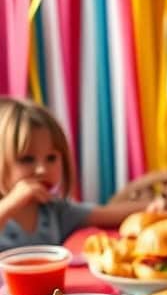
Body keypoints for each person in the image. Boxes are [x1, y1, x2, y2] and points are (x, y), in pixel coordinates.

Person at [0, 97, 156, 250]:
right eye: (27, 159)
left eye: (51, 158)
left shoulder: (56, 211)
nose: (42, 169)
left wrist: (156, 207)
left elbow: (106, 214)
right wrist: (10, 204)